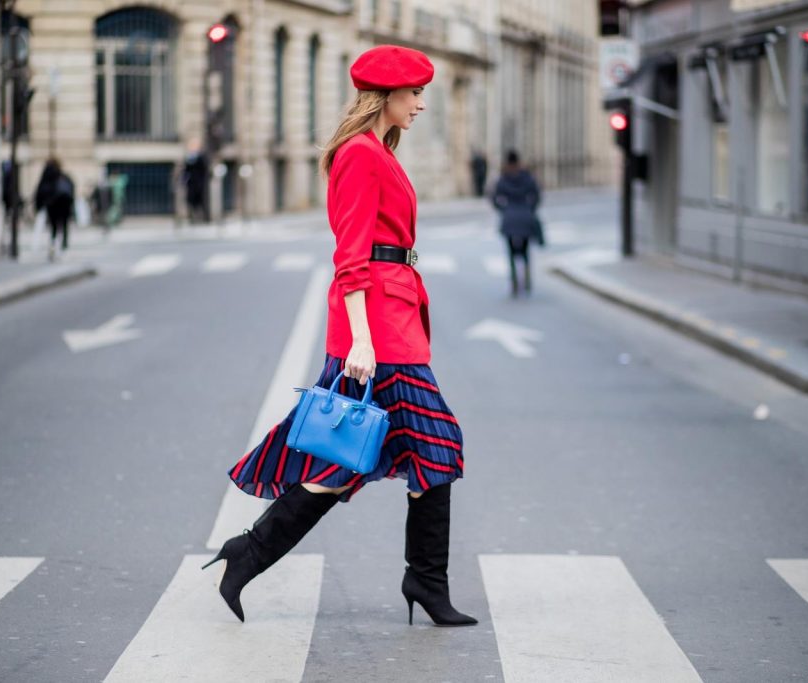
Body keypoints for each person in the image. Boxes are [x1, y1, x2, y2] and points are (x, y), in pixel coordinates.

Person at [206, 45, 477, 628]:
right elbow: (350, 254)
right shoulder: (360, 154)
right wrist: (360, 338)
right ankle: (422, 582)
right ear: (385, 96)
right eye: (413, 94)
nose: (421, 105)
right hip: (378, 325)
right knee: (428, 446)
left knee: (345, 461)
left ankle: (252, 554)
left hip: (392, 313)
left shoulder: (377, 150)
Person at [492, 150, 542, 297]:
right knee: (526, 251)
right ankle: (526, 278)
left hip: (509, 218)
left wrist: (504, 210)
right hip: (525, 216)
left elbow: (495, 198)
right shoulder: (527, 177)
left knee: (511, 252)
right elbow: (537, 196)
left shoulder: (504, 177)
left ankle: (514, 280)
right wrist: (530, 209)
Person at [34, 158, 75, 261]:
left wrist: (38, 206)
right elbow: (71, 190)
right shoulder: (63, 177)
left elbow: (40, 191)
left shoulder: (46, 176)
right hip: (64, 205)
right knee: (64, 226)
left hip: (51, 205)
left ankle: (53, 245)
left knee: (53, 228)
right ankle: (63, 247)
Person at [182, 139, 210, 223]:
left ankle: (203, 217)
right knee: (191, 200)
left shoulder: (201, 157)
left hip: (200, 182)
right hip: (191, 183)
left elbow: (205, 169)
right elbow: (186, 170)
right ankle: (193, 216)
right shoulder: (189, 157)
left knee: (201, 200)